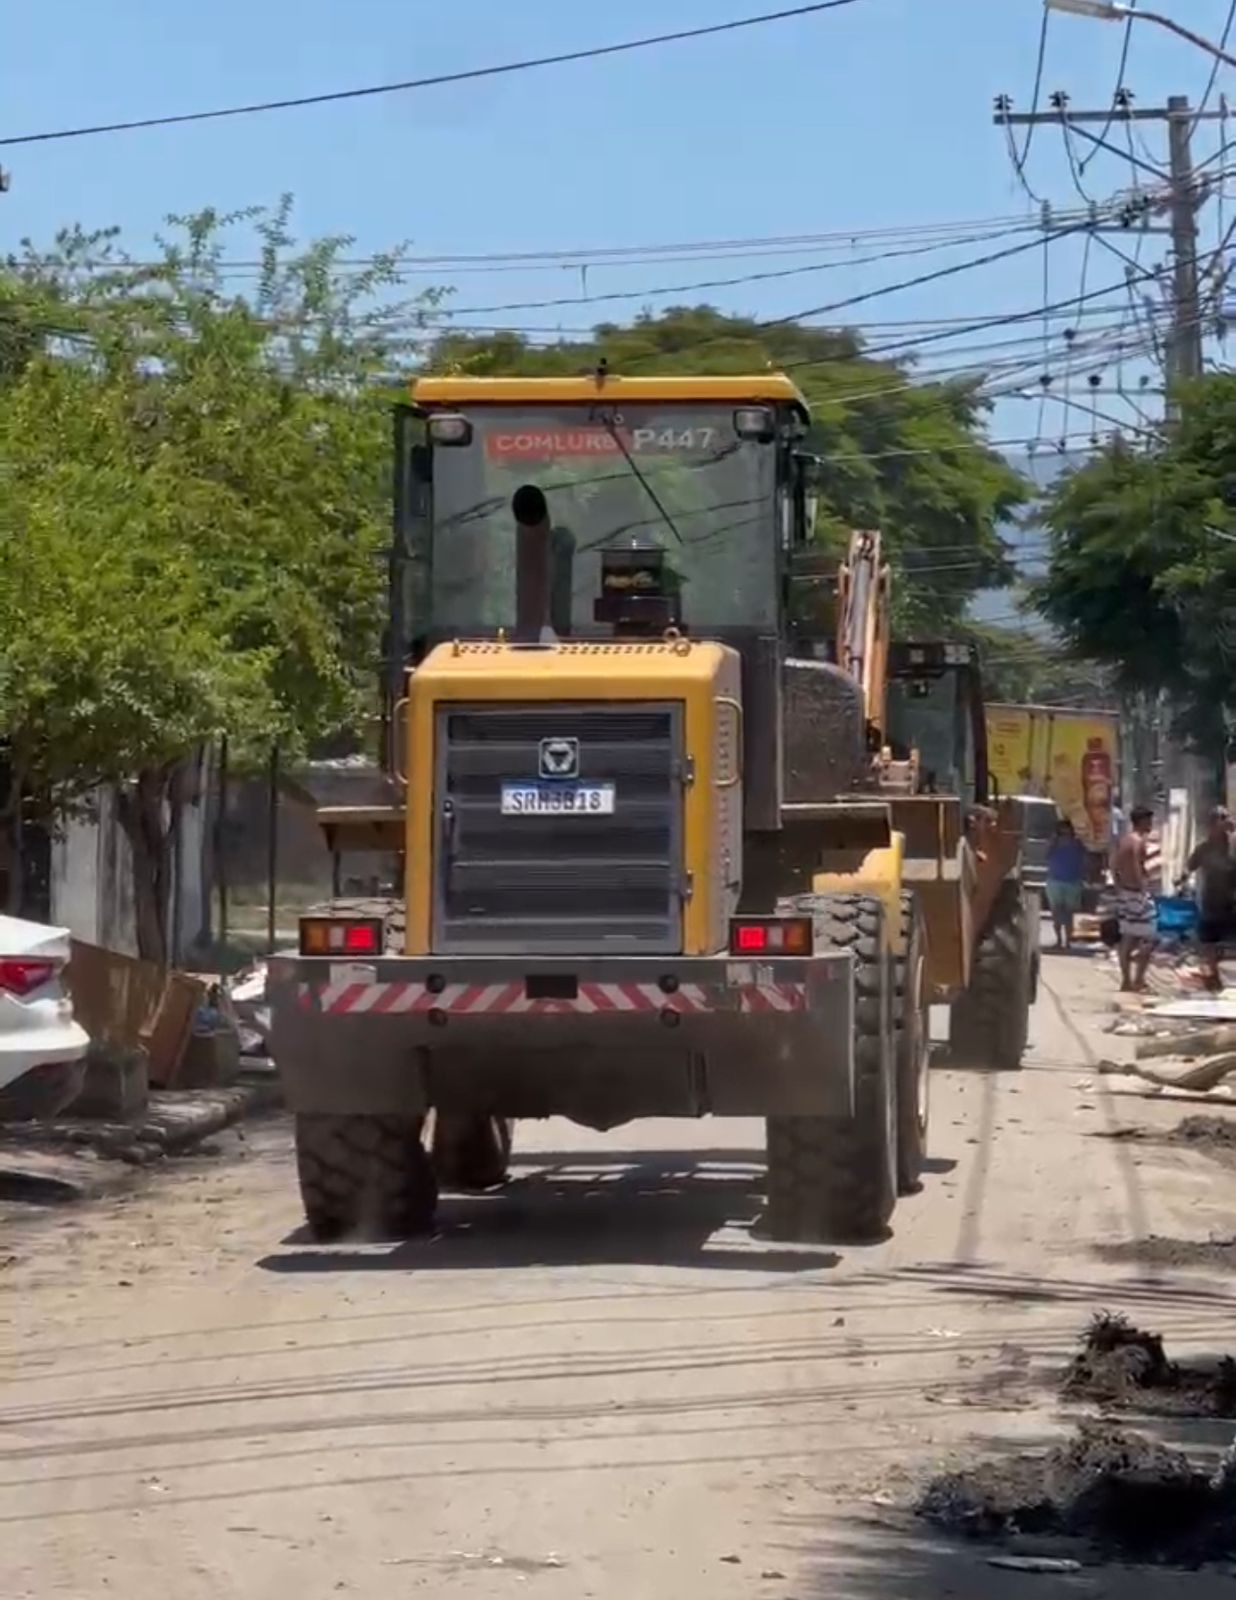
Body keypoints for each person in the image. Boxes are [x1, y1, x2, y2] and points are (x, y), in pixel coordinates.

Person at [1188, 806, 1235, 992]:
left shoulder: (1234, 845)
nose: (1223, 823)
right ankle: (1214, 978)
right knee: (1208, 943)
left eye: (1225, 818)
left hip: (1232, 902)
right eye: (1219, 820)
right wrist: (1181, 880)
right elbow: (1190, 866)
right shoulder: (1204, 848)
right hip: (1212, 902)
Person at [1112, 805, 1157, 993]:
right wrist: (1143, 889)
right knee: (1149, 938)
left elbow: (1114, 866)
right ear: (1142, 821)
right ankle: (1138, 980)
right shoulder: (1138, 841)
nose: (1151, 824)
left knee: (1128, 938)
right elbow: (1137, 867)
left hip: (1125, 893)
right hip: (1137, 894)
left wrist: (1119, 887)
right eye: (1149, 820)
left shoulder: (1124, 841)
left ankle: (1126, 981)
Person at [1045, 817, 1089, 950]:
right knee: (1056, 913)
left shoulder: (1078, 843)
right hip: (1056, 881)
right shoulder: (1054, 843)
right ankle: (1059, 940)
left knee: (1069, 914)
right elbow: (1046, 854)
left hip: (1072, 881)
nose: (1065, 833)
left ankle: (1068, 941)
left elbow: (1086, 857)